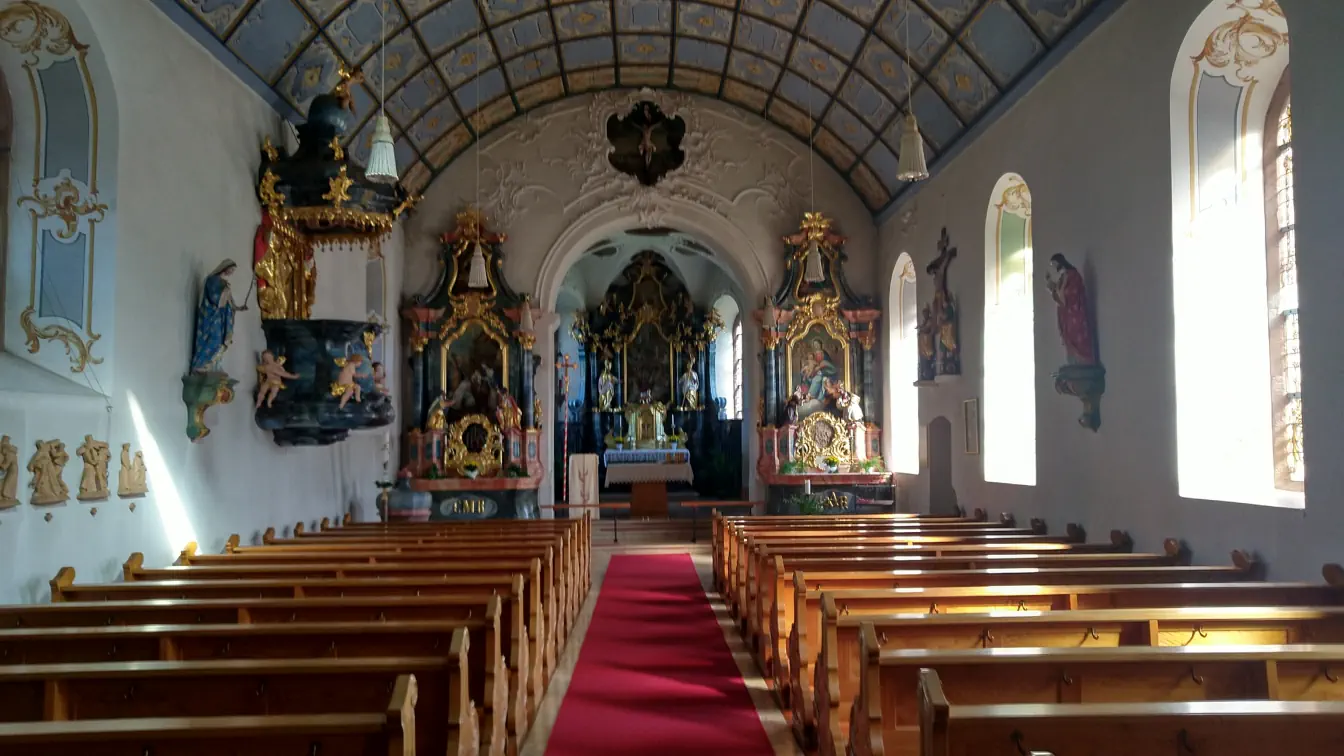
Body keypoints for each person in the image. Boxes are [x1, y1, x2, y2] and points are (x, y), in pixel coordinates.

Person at [190, 259, 248, 373]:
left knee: (220, 342)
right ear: (224, 268)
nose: (231, 273)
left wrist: (239, 308)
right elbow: (215, 299)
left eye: (233, 271)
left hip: (221, 319)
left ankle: (212, 366)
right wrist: (225, 290)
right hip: (211, 317)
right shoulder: (212, 280)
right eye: (231, 270)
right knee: (212, 339)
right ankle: (200, 365)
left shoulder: (224, 284)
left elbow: (229, 302)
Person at [1045, 254, 1098, 365]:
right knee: (1069, 343)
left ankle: (1083, 363)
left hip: (1075, 315)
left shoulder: (1073, 275)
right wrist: (1052, 288)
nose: (1054, 267)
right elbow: (1061, 298)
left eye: (1054, 264)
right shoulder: (1063, 277)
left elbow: (1070, 295)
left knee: (1078, 340)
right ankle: (1074, 364)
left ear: (1060, 262)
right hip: (1067, 317)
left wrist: (1057, 291)